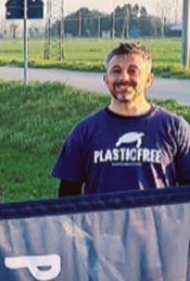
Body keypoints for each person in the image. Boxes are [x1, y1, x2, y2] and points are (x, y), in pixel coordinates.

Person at [53, 42, 190, 196]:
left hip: (156, 214)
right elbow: (67, 195)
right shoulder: (84, 131)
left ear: (149, 80)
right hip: (103, 214)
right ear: (106, 79)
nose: (124, 78)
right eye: (116, 71)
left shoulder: (175, 128)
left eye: (133, 71)